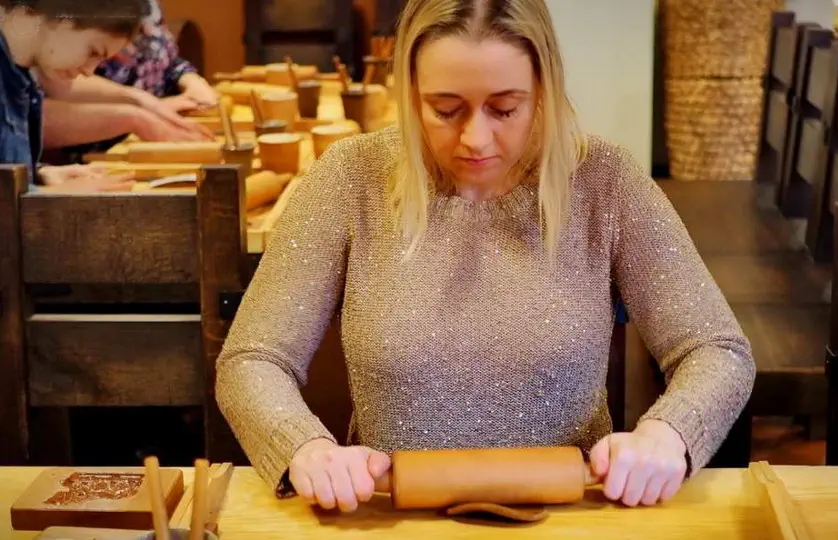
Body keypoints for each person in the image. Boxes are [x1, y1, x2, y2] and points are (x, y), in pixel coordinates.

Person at [215, 0, 756, 512]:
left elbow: (718, 351)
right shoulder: (351, 177)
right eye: (445, 110)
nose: (475, 138)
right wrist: (304, 446)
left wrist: (667, 432)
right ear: (410, 91)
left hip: (571, 516)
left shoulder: (603, 180)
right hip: (394, 516)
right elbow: (251, 359)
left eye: (504, 108)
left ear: (543, 87)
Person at [39, 0, 214, 161]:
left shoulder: (148, 6)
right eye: (94, 53)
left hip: (144, 128)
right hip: (95, 150)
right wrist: (134, 114)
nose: (88, 71)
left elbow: (164, 57)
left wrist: (188, 79)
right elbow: (55, 88)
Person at [0, 0, 144, 191]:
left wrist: (40, 174)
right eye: (93, 52)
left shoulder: (22, 76)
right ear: (62, 19)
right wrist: (52, 195)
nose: (89, 71)